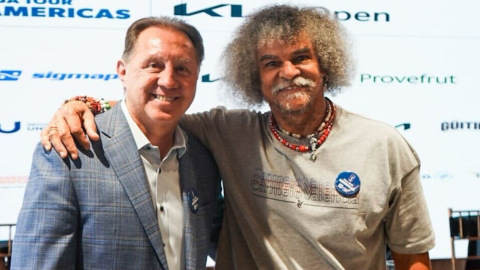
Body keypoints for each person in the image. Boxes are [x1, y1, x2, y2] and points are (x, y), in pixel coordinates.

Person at [41, 5, 435, 270]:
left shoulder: (385, 146)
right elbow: (152, 105)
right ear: (253, 77)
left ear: (326, 65)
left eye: (301, 58)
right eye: (270, 63)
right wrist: (81, 104)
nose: (287, 72)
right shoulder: (227, 131)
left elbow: (413, 256)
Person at [12, 16, 222, 270]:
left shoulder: (203, 159)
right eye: (154, 65)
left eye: (182, 68)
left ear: (197, 76)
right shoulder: (70, 149)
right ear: (123, 71)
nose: (168, 81)